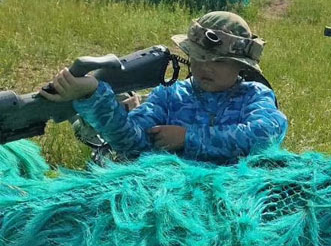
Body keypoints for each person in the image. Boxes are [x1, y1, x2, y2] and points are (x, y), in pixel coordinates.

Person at [41, 11, 288, 164]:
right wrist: (94, 94)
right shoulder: (171, 96)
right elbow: (130, 141)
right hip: (167, 200)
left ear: (240, 67)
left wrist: (187, 138)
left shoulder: (254, 96)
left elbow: (265, 134)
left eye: (220, 61)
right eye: (199, 57)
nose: (206, 67)